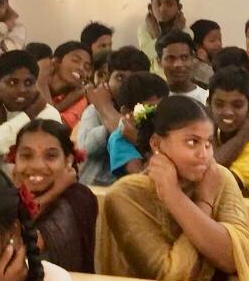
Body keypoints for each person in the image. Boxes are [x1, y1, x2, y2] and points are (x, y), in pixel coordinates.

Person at [95, 95, 249, 281]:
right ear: (157, 143)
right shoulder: (125, 195)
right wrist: (185, 198)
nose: (204, 154)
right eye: (192, 142)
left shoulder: (218, 178)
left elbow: (233, 259)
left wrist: (186, 197)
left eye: (209, 143)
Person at [11, 119, 98, 273]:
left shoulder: (79, 198)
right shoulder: (11, 195)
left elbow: (22, 248)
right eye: (26, 156)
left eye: (50, 156)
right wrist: (54, 191)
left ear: (68, 160)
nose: (37, 165)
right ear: (14, 159)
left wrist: (55, 192)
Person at [77, 46, 151, 187]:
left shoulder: (152, 108)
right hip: (95, 185)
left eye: (134, 79)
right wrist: (107, 121)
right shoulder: (93, 110)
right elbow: (84, 148)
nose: (126, 85)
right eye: (120, 77)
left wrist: (107, 110)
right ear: (107, 80)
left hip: (137, 187)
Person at [0, 50, 61, 160]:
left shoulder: (48, 113)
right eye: (13, 82)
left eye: (28, 83)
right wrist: (28, 116)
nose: (22, 89)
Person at [208, 67, 249, 199]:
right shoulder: (208, 133)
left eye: (237, 105)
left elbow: (214, 182)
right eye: (219, 104)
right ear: (209, 105)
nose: (227, 112)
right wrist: (211, 133)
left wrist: (243, 136)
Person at [107, 72, 170, 178]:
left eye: (162, 107)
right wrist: (139, 142)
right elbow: (141, 176)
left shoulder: (166, 129)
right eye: (149, 110)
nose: (158, 114)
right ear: (126, 112)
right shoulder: (119, 139)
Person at [137, 0, 192, 77]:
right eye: (158, 4)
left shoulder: (186, 32)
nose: (163, 9)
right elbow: (144, 57)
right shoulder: (144, 29)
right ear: (150, 7)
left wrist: (174, 31)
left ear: (179, 7)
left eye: (169, 4)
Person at [47, 42, 92, 131]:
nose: (81, 68)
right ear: (56, 61)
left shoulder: (80, 100)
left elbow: (52, 128)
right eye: (75, 61)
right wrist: (66, 103)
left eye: (86, 67)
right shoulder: (37, 82)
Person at [156, 30, 209, 105]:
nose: (178, 64)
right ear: (159, 62)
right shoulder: (153, 101)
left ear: (193, 58)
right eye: (171, 58)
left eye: (184, 57)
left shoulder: (206, 99)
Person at [190, 19, 222, 87]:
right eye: (212, 40)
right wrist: (205, 62)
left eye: (220, 39)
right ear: (198, 46)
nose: (219, 44)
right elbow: (219, 82)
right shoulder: (195, 64)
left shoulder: (218, 59)